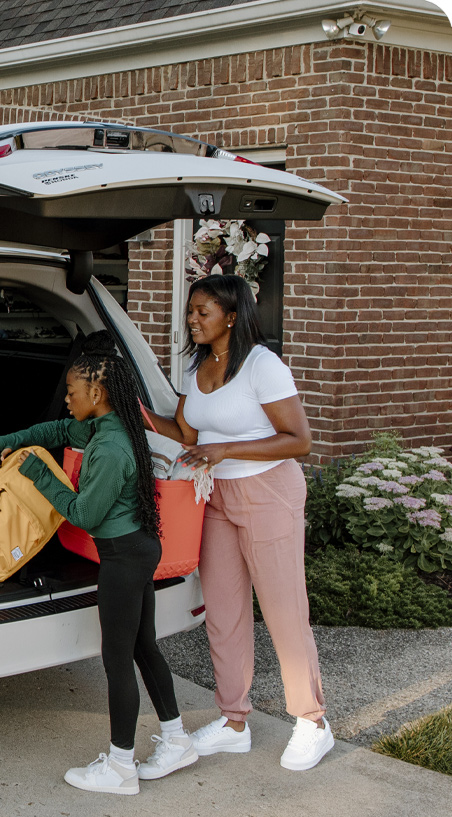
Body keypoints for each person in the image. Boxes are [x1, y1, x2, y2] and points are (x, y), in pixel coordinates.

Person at [0, 331, 195, 795]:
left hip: (124, 558)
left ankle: (121, 766)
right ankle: (178, 740)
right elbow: (61, 431)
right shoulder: (108, 425)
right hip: (137, 548)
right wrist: (17, 439)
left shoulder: (109, 448)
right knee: (144, 648)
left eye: (71, 392)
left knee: (118, 659)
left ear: (97, 394)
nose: (66, 399)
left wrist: (41, 472)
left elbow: (84, 513)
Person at [143, 273, 332, 772]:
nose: (192, 320)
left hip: (268, 490)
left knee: (283, 608)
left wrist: (226, 449)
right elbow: (186, 432)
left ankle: (312, 722)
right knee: (223, 611)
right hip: (215, 494)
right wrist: (134, 410)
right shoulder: (196, 364)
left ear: (232, 315)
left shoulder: (262, 366)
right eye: (191, 311)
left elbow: (299, 439)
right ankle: (233, 723)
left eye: (202, 312)